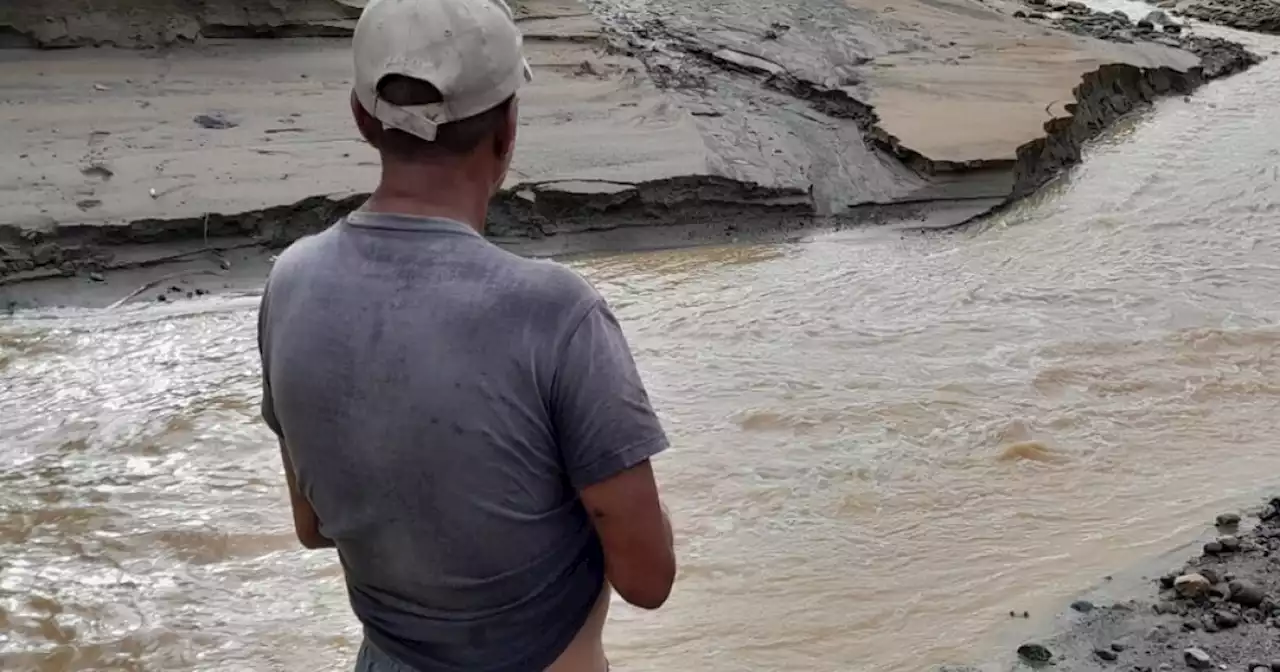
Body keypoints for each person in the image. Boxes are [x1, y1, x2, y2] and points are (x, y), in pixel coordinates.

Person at [255, 0, 677, 669]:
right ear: (508, 129)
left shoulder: (290, 282)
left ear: (362, 118)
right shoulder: (556, 312)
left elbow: (312, 527)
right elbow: (648, 580)